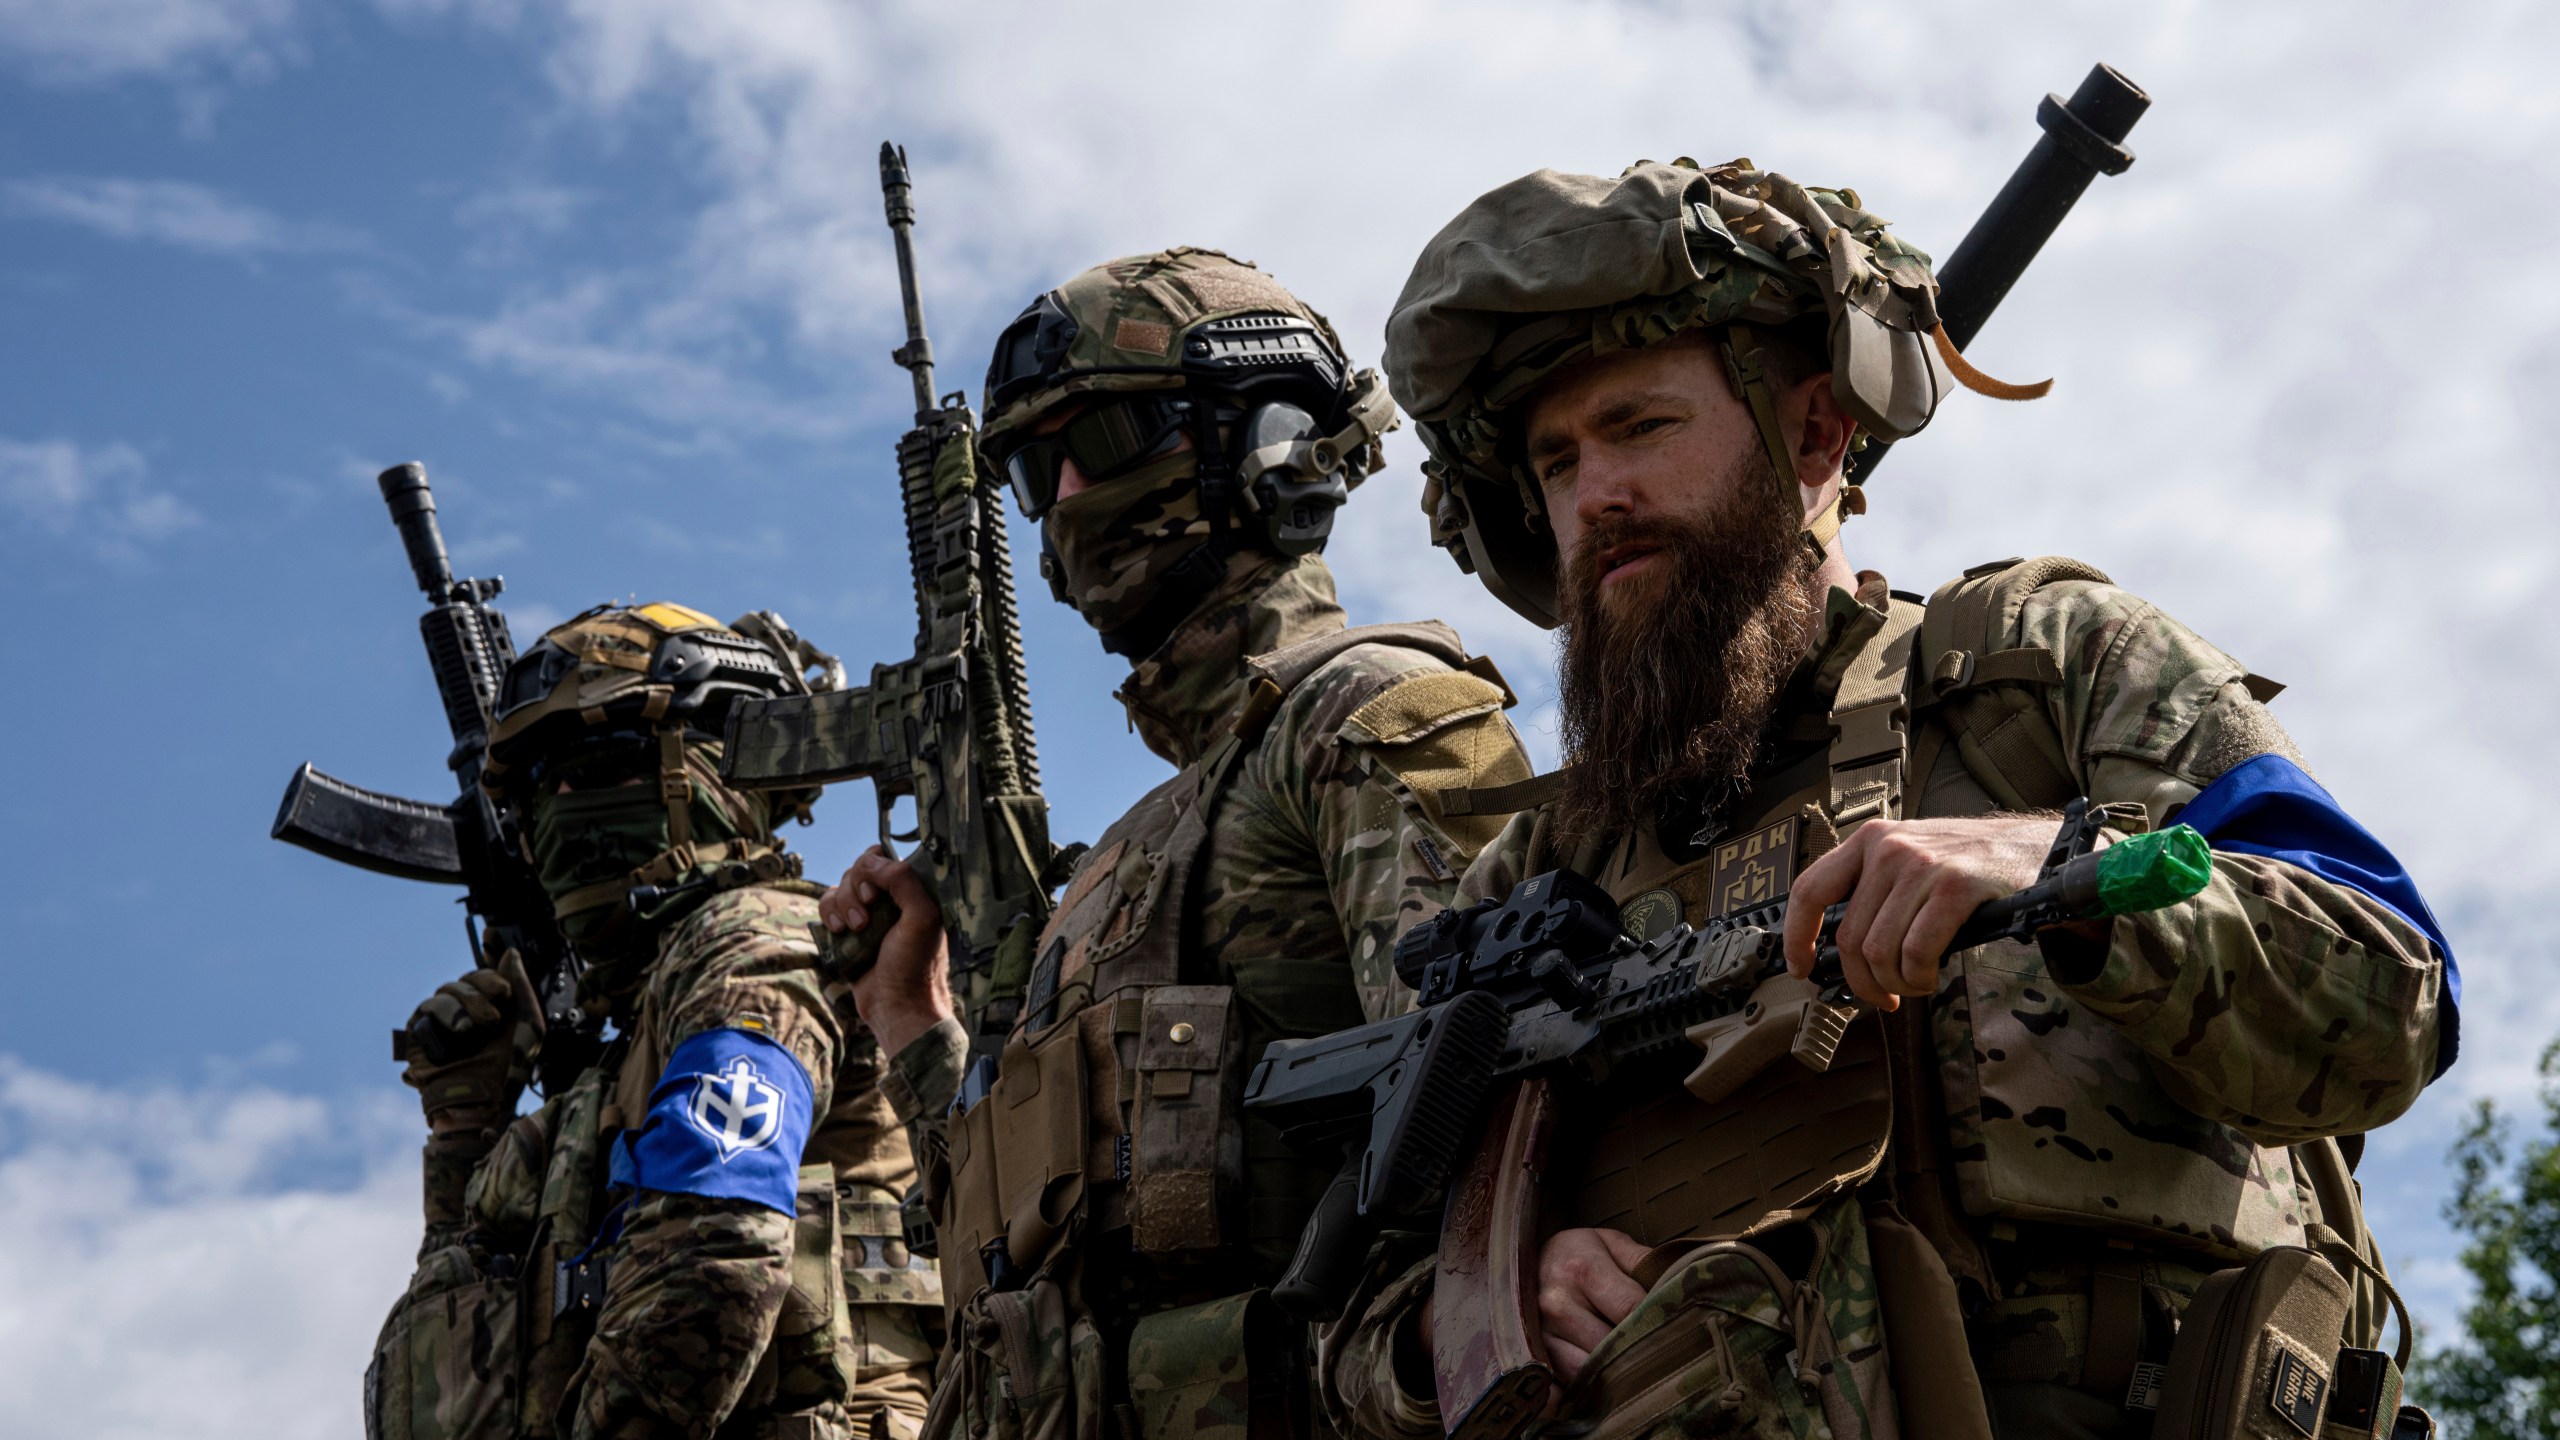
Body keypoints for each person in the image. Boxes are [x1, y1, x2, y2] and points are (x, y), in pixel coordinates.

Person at [1317, 160, 2455, 1440]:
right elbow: (1353, 1330)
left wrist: (2059, 866)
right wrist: (1478, 1310)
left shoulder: (2045, 671)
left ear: (1814, 433)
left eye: (1640, 427)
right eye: (1556, 461)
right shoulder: (1524, 881)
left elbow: (2391, 1000)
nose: (1596, 499)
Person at [820, 248, 1537, 1440]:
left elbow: (1491, 1108)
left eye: (1095, 448)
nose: (1061, 501)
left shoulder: (1362, 712)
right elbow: (1022, 1250)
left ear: (1258, 441)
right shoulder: (1123, 859)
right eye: (1029, 474)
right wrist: (912, 1027)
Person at [381, 602, 938, 1440]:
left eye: (601, 765)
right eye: (538, 787)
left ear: (712, 776)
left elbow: (720, 1241)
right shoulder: (604, 1081)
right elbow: (467, 1361)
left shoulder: (753, 943)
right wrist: (468, 1128)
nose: (564, 805)